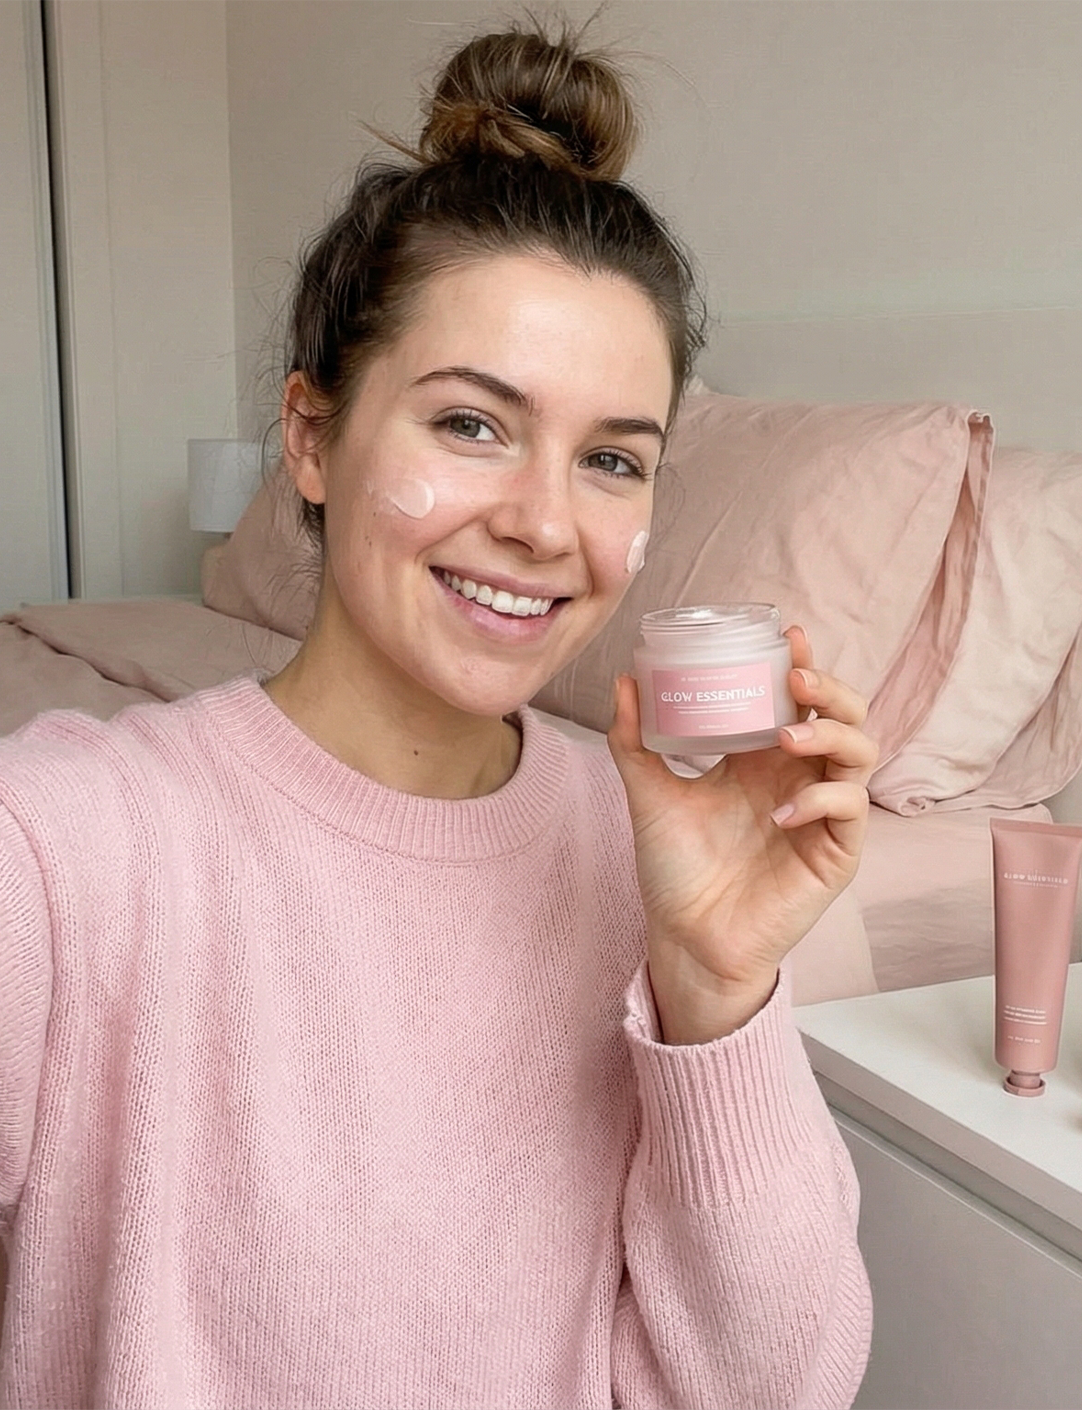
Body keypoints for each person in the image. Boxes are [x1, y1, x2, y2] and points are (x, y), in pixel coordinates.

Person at [0, 19, 875, 1409]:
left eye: (608, 459)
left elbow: (775, 1391)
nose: (541, 523)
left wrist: (713, 994)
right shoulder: (60, 842)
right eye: (470, 423)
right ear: (310, 434)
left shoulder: (641, 861)